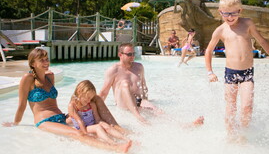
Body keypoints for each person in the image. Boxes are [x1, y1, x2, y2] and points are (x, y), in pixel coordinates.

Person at [2, 48, 131, 153]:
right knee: (78, 134)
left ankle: (120, 131)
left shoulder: (50, 77)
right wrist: (16, 123)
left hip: (62, 117)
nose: (46, 62)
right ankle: (116, 148)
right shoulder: (28, 79)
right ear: (33, 63)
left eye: (47, 59)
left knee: (95, 99)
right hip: (45, 121)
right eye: (42, 60)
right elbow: (22, 105)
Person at [204, 0, 269, 141]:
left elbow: (262, 41)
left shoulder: (247, 24)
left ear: (240, 11)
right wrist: (210, 72)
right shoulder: (221, 30)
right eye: (226, 14)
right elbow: (208, 50)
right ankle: (230, 137)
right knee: (231, 108)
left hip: (247, 73)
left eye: (233, 13)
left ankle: (243, 136)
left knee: (247, 106)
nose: (230, 17)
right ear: (220, 12)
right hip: (230, 74)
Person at [99, 43, 161, 124]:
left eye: (133, 54)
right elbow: (104, 92)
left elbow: (143, 86)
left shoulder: (139, 67)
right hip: (124, 104)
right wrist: (95, 108)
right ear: (120, 55)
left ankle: (179, 124)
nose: (132, 56)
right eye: (129, 54)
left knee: (158, 111)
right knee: (125, 83)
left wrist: (146, 101)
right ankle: (138, 116)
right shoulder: (113, 70)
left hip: (138, 101)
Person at [69, 80, 131, 148]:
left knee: (106, 126)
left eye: (91, 98)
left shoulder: (91, 105)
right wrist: (85, 135)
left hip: (91, 126)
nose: (89, 101)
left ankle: (127, 139)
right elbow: (79, 121)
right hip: (83, 128)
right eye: (88, 98)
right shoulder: (72, 106)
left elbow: (97, 119)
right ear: (79, 92)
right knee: (98, 127)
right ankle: (113, 144)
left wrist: (103, 124)